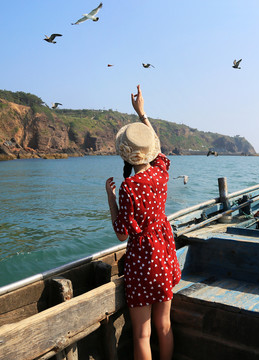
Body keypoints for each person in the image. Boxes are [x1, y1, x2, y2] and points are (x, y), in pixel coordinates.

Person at [105, 85, 181, 360]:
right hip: (164, 251)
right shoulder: (161, 173)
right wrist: (142, 114)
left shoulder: (129, 187)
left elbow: (120, 234)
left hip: (142, 260)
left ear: (125, 154)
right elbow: (157, 149)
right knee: (164, 325)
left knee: (141, 334)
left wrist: (110, 198)